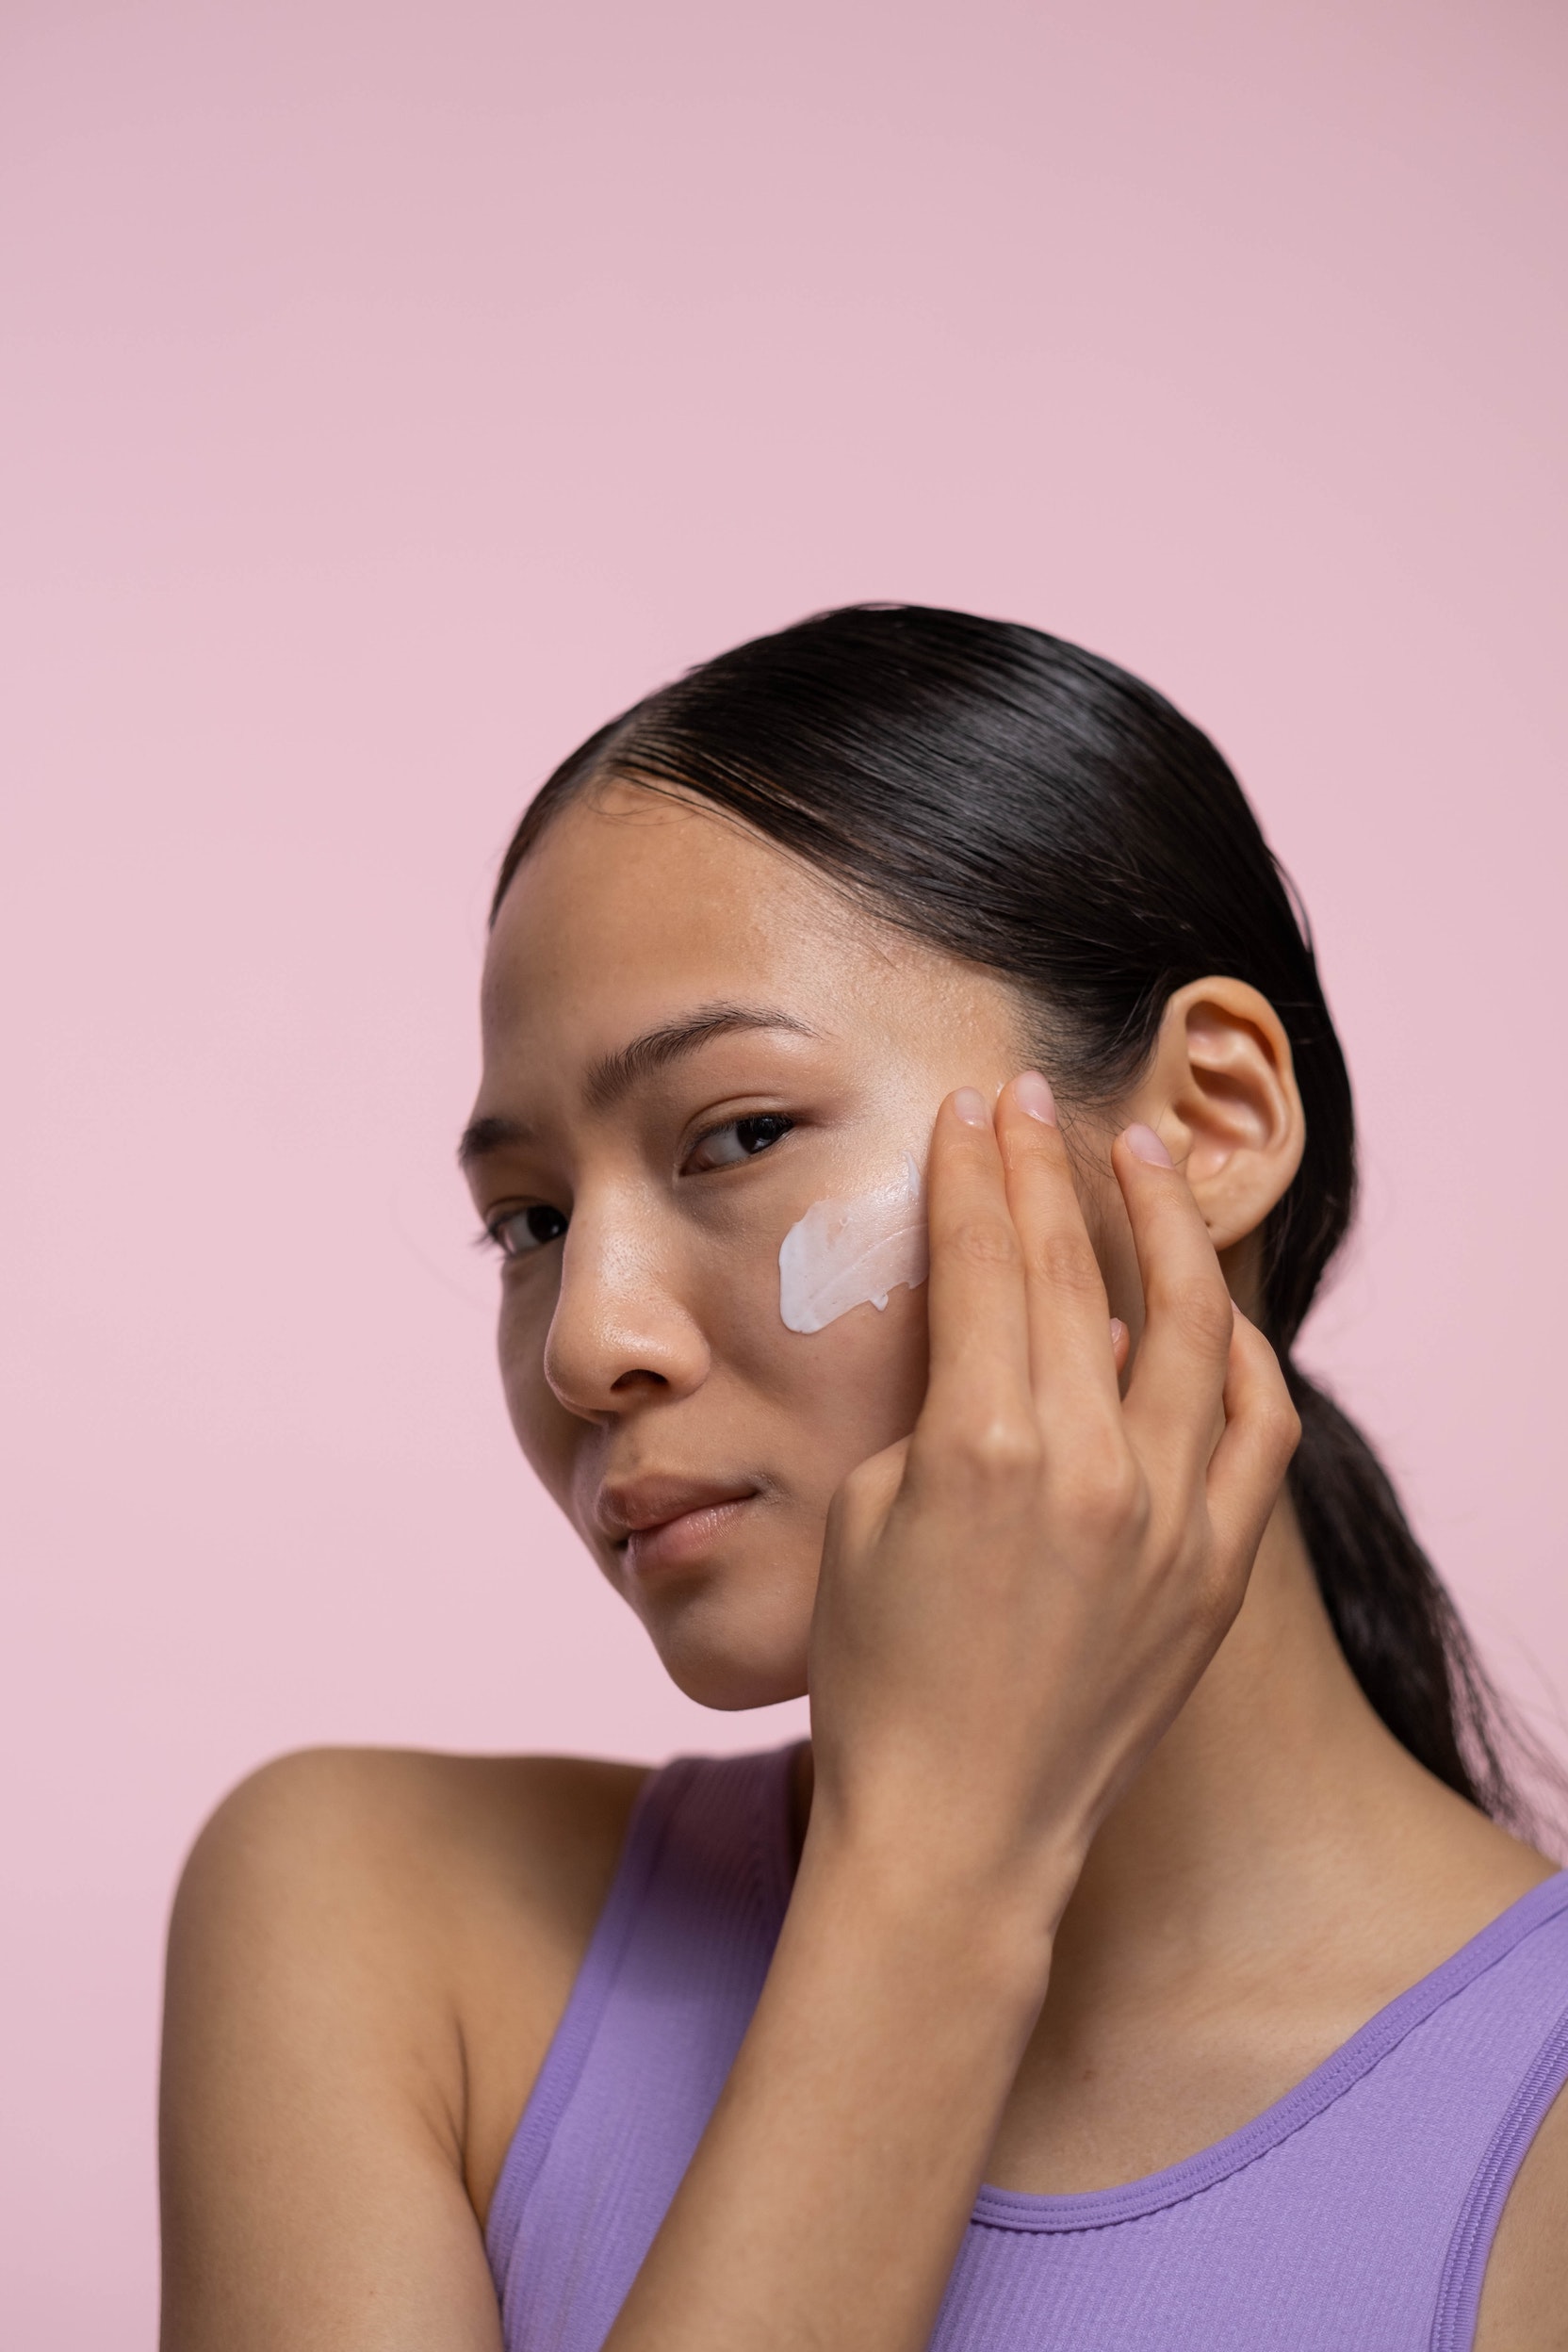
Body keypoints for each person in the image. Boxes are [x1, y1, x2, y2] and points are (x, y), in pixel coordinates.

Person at [158, 607, 1568, 2350]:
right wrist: (933, 1873)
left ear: (1204, 1124)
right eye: (530, 1221)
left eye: (739, 1135)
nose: (585, 1344)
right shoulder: (373, 1926)